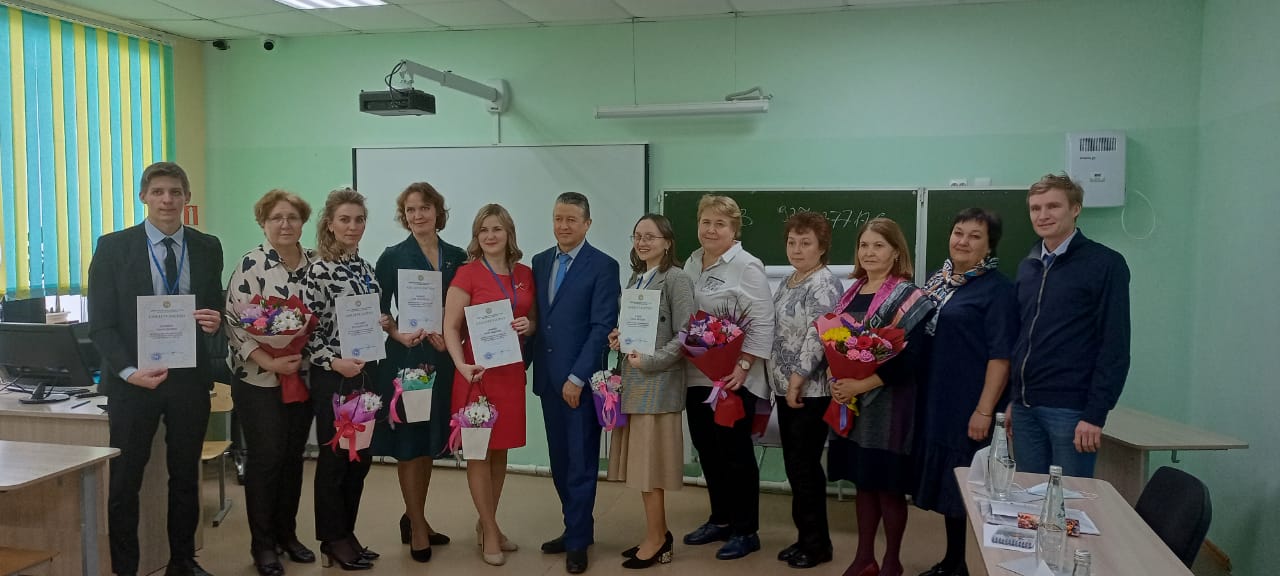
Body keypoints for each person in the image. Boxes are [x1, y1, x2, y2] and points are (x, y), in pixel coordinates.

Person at [88, 161, 225, 576]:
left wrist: (215, 320)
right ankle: (125, 568)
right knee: (125, 479)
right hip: (133, 382)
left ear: (187, 198)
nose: (167, 200)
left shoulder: (207, 246)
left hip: (188, 380)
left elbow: (213, 306)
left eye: (176, 192)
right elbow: (101, 324)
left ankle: (182, 561)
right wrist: (128, 372)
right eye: (159, 192)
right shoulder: (113, 247)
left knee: (185, 477)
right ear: (144, 197)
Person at [826, 217, 934, 576]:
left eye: (878, 245)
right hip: (853, 404)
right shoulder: (851, 292)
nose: (869, 252)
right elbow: (836, 344)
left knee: (888, 485)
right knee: (864, 482)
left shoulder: (910, 297)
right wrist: (835, 376)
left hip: (890, 405)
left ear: (896, 252)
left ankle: (891, 561)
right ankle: (864, 558)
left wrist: (861, 385)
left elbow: (911, 359)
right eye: (863, 245)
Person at [913, 208, 1018, 576]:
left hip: (970, 402)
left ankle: (977, 564)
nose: (963, 241)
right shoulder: (937, 281)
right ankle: (954, 561)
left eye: (975, 236)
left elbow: (1001, 357)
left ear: (989, 245)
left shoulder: (998, 290)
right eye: (958, 232)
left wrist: (985, 410)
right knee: (949, 486)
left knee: (969, 488)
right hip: (936, 399)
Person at [1008, 174, 1130, 478]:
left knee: (1071, 499)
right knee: (1028, 497)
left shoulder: (1105, 264)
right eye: (1035, 208)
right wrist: (1013, 399)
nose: (1043, 215)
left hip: (1071, 411)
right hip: (1024, 408)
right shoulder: (1028, 265)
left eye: (1053, 206)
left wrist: (1095, 414)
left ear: (1075, 209)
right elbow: (1020, 337)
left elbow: (1115, 345)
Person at [369, 182, 466, 563]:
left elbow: (463, 309)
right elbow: (378, 310)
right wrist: (396, 332)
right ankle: (419, 528)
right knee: (409, 443)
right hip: (406, 359)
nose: (417, 215)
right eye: (410, 210)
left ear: (437, 212)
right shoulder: (392, 256)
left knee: (428, 441)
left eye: (424, 208)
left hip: (443, 358)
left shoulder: (457, 257)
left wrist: (451, 337)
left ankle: (414, 517)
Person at [224, 190, 319, 576]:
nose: (285, 224)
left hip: (303, 374)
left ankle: (287, 535)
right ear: (263, 223)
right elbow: (234, 322)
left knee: (293, 458)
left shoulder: (316, 262)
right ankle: (262, 545)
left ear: (303, 222)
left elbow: (325, 315)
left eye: (292, 217)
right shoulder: (251, 264)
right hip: (258, 379)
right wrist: (270, 360)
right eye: (276, 218)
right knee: (266, 460)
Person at [680, 194, 775, 561]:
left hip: (735, 380)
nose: (711, 229)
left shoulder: (747, 266)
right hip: (697, 374)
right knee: (707, 449)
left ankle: (746, 530)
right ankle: (720, 519)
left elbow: (762, 321)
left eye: (720, 224)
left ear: (734, 229)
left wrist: (744, 365)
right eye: (705, 222)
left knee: (735, 453)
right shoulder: (691, 262)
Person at [531, 192, 621, 574]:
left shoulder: (603, 266)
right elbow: (541, 321)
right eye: (558, 218)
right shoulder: (539, 262)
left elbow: (601, 326)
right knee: (560, 461)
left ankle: (579, 541)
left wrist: (576, 377)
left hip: (579, 384)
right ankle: (575, 527)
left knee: (581, 463)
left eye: (571, 219)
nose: (563, 226)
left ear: (587, 223)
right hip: (547, 381)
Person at [442, 203, 536, 567]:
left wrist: (529, 325)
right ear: (476, 236)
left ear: (509, 233)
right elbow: (451, 326)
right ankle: (491, 532)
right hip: (476, 375)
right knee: (479, 453)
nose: (490, 235)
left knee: (500, 452)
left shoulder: (525, 274)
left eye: (497, 229)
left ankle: (487, 524)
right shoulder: (467, 274)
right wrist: (461, 365)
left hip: (510, 373)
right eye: (483, 230)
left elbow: (532, 319)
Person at [605, 214, 696, 570]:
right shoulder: (637, 278)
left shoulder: (677, 279)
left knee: (650, 469)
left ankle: (658, 540)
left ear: (667, 242)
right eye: (637, 236)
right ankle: (657, 533)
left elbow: (686, 335)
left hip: (658, 385)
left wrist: (652, 360)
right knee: (643, 469)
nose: (642, 242)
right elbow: (639, 328)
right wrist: (619, 336)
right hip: (634, 382)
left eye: (650, 236)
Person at [302, 188, 381, 571]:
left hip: (365, 374)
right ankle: (331, 540)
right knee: (335, 460)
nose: (353, 226)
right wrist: (334, 363)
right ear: (330, 224)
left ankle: (347, 533)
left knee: (359, 459)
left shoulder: (365, 268)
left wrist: (382, 324)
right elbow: (307, 332)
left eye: (359, 219)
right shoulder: (318, 271)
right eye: (345, 219)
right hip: (334, 377)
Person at [767, 212, 844, 570]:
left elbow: (819, 335)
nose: (797, 249)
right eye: (792, 242)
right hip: (787, 388)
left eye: (806, 243)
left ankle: (817, 546)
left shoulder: (824, 283)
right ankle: (805, 537)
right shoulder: (790, 280)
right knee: (796, 467)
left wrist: (798, 377)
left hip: (809, 391)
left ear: (822, 247)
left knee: (805, 468)